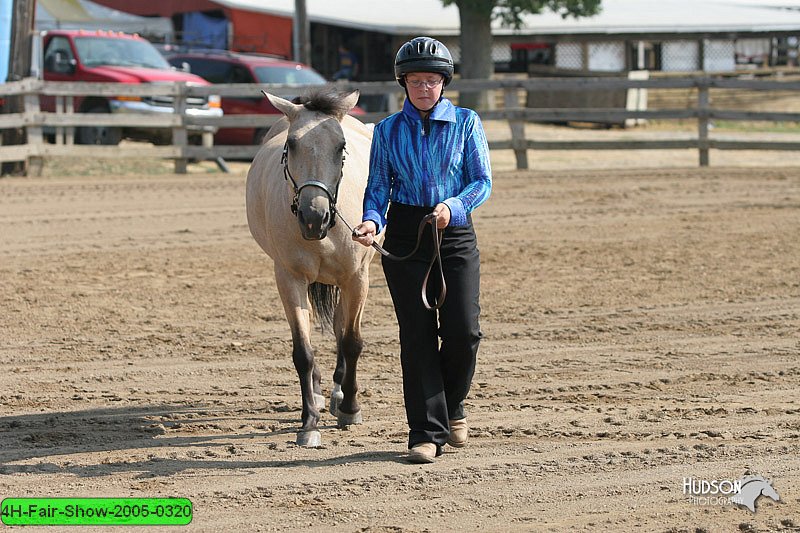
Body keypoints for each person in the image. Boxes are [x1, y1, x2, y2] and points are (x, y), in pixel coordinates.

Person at [352, 36, 492, 464]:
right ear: (403, 83)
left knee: (463, 331)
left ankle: (453, 406)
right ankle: (425, 432)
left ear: (443, 83)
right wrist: (372, 220)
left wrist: (454, 206)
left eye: (432, 80)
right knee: (416, 335)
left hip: (453, 230)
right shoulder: (389, 131)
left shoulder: (467, 123)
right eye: (416, 80)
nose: (424, 88)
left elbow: (481, 181)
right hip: (407, 234)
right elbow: (378, 187)